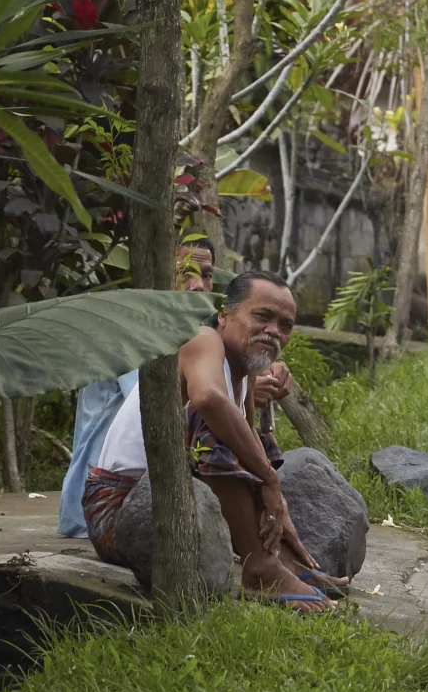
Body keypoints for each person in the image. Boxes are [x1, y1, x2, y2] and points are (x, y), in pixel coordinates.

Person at [85, 269, 342, 606]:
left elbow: (249, 451)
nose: (274, 332)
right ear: (225, 315)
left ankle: (278, 560)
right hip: (123, 512)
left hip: (170, 499)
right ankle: (261, 569)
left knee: (252, 442)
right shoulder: (201, 337)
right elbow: (207, 399)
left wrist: (276, 506)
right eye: (263, 316)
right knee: (211, 420)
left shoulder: (245, 371)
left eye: (285, 326)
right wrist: (270, 481)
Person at [59, 239, 213, 537]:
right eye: (186, 272)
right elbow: (161, 409)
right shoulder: (130, 331)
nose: (198, 286)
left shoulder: (181, 332)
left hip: (138, 495)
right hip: (98, 505)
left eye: (206, 275)